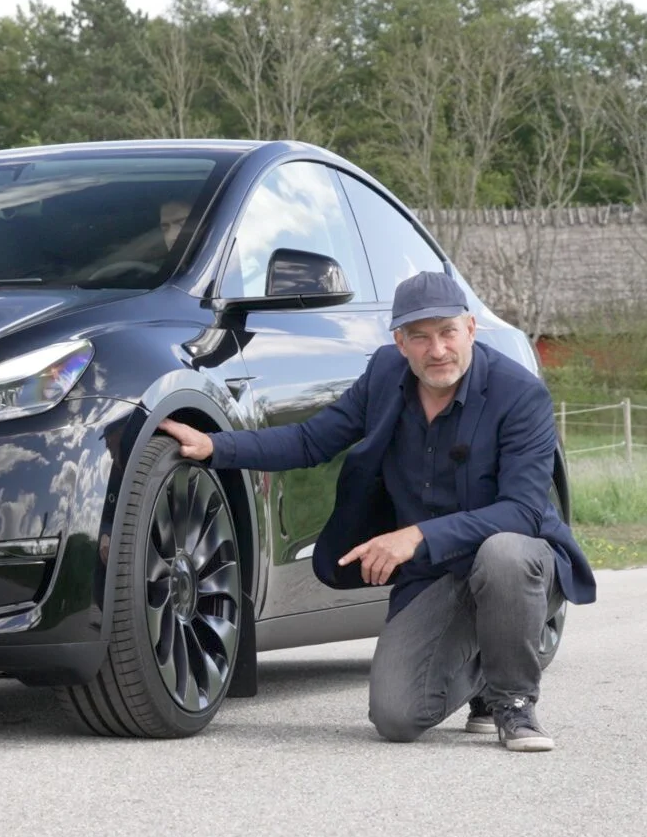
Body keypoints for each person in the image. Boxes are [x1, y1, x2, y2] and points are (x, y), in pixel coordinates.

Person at [158, 271, 595, 751]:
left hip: (522, 567)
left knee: (504, 553)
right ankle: (485, 668)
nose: (437, 350)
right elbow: (310, 441)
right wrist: (216, 446)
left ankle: (513, 703)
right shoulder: (385, 376)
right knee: (396, 716)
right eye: (420, 337)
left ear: (470, 329)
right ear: (399, 342)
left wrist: (417, 536)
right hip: (438, 575)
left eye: (448, 332)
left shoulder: (520, 394)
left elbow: (522, 511)